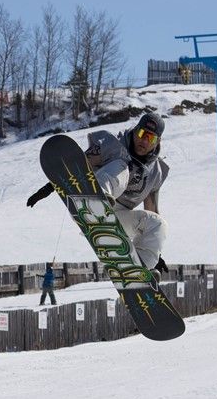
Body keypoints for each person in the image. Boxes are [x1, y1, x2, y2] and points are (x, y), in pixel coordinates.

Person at [27, 112, 170, 281]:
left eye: (150, 138)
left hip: (117, 219)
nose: (144, 141)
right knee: (122, 167)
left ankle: (138, 271)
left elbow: (152, 209)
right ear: (136, 130)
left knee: (158, 223)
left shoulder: (155, 172)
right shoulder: (113, 145)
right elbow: (78, 163)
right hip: (87, 202)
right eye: (141, 134)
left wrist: (155, 249)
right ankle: (98, 203)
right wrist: (51, 186)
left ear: (158, 141)